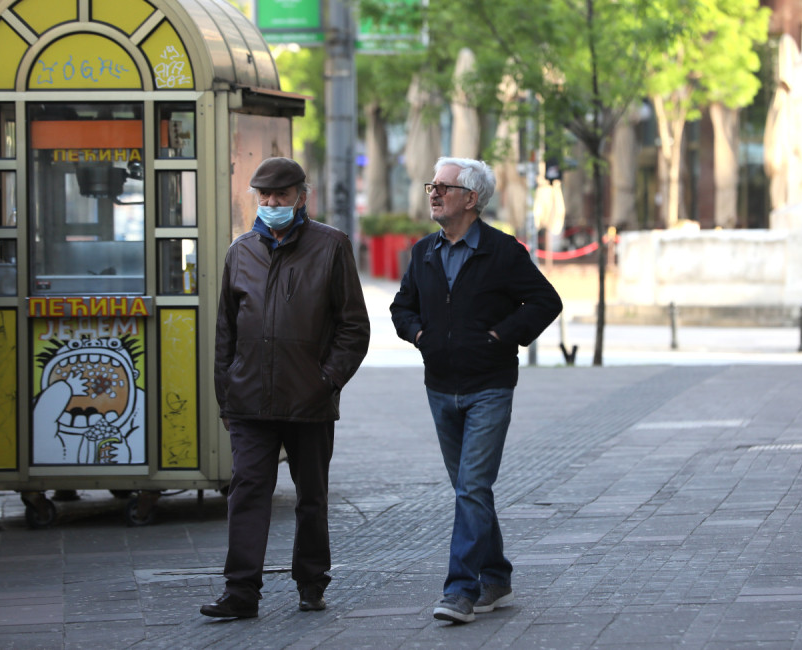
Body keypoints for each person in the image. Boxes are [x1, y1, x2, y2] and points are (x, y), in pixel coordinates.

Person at [390, 157, 562, 623]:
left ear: (471, 198)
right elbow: (401, 307)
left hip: (489, 386)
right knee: (471, 490)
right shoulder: (424, 251)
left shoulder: (503, 252)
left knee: (471, 487)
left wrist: (500, 336)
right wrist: (420, 336)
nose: (433, 193)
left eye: (443, 186)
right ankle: (497, 577)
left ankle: (461, 591)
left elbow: (547, 301)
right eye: (432, 185)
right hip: (441, 387)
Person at [200, 157, 370, 619]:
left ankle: (311, 582)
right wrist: (227, 397)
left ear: (301, 196)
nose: (272, 204)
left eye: (281, 195)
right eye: (264, 196)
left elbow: (354, 327)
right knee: (247, 494)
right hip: (250, 402)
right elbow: (225, 334)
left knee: (311, 497)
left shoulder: (331, 246)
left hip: (309, 401)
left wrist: (327, 381)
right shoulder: (241, 251)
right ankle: (241, 593)